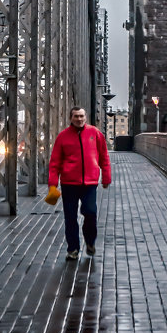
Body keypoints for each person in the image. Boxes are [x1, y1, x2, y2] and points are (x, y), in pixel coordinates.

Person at [48, 106, 111, 260]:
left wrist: (106, 176)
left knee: (90, 212)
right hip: (69, 183)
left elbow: (104, 155)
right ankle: (73, 249)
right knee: (70, 217)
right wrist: (52, 183)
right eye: (76, 116)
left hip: (90, 183)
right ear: (71, 118)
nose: (79, 119)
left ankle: (90, 241)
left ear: (86, 117)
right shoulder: (62, 137)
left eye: (82, 116)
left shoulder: (95, 133)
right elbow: (55, 162)